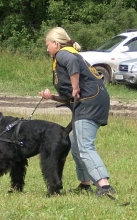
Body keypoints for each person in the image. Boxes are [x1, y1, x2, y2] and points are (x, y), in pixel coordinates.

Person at [39, 27, 115, 198]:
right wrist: (52, 97)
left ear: (56, 44)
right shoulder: (69, 53)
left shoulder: (63, 54)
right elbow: (71, 98)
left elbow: (73, 70)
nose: (47, 49)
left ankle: (104, 186)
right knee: (75, 142)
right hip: (93, 100)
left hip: (90, 103)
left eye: (48, 45)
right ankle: (85, 184)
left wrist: (75, 86)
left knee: (84, 145)